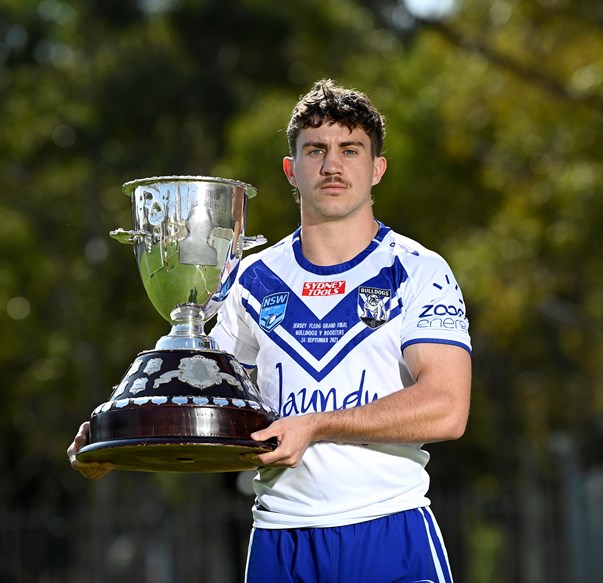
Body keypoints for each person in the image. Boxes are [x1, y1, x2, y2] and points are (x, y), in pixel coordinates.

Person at [68, 79, 473, 582]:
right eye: (316, 150)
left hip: (388, 531)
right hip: (279, 541)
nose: (332, 165)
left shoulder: (417, 269)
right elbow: (206, 402)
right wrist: (122, 437)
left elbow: (447, 407)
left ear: (377, 169)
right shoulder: (249, 280)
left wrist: (318, 424)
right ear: (291, 169)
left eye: (351, 150)